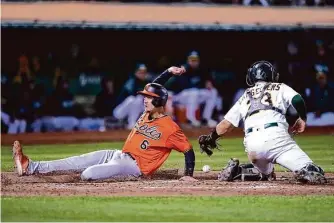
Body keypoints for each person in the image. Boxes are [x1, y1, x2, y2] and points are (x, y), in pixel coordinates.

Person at [12, 66, 197, 182]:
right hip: (118, 154)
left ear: (159, 102)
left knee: (88, 174)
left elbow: (188, 150)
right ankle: (30, 167)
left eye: (149, 99)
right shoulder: (147, 113)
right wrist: (168, 73)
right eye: (146, 97)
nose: (145, 100)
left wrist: (188, 175)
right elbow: (154, 88)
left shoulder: (170, 128)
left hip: (133, 168)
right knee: (76, 161)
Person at [198, 61, 327, 184]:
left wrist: (211, 138)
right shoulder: (279, 87)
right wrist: (302, 118)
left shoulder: (246, 94)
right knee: (314, 170)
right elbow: (297, 99)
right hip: (277, 139)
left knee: (266, 174)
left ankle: (239, 171)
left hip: (252, 145)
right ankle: (304, 171)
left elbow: (225, 125)